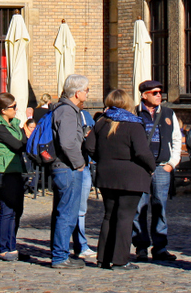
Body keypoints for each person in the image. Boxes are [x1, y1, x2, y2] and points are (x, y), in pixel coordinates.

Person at [84, 88, 155, 271]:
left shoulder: (101, 123)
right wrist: (152, 167)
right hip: (131, 176)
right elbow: (142, 152)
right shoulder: (133, 124)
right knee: (125, 217)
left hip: (107, 174)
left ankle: (103, 258)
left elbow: (89, 147)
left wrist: (104, 160)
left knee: (109, 216)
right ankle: (120, 260)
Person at [131, 79, 182, 262]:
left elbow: (177, 138)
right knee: (139, 208)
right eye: (155, 93)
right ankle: (141, 246)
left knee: (160, 207)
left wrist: (172, 163)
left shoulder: (168, 113)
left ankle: (160, 246)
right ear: (144, 96)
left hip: (161, 167)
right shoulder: (134, 113)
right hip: (140, 168)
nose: (159, 95)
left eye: (160, 92)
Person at [49, 73, 90, 268]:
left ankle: (60, 252)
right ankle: (60, 256)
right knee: (67, 212)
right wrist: (79, 163)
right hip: (67, 168)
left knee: (64, 211)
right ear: (77, 92)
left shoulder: (67, 109)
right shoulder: (66, 111)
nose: (88, 95)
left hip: (64, 167)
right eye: (87, 90)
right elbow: (66, 143)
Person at [0, 92, 26, 262]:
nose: (16, 110)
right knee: (7, 210)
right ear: (3, 110)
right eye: (13, 107)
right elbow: (18, 144)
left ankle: (12, 246)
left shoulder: (14, 124)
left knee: (17, 210)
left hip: (16, 170)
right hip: (3, 172)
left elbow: (23, 141)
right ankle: (3, 248)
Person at [73, 107, 98, 261]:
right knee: (67, 209)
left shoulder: (85, 115)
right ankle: (73, 245)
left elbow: (94, 138)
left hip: (85, 165)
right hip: (70, 166)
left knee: (81, 209)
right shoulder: (63, 113)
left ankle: (80, 244)